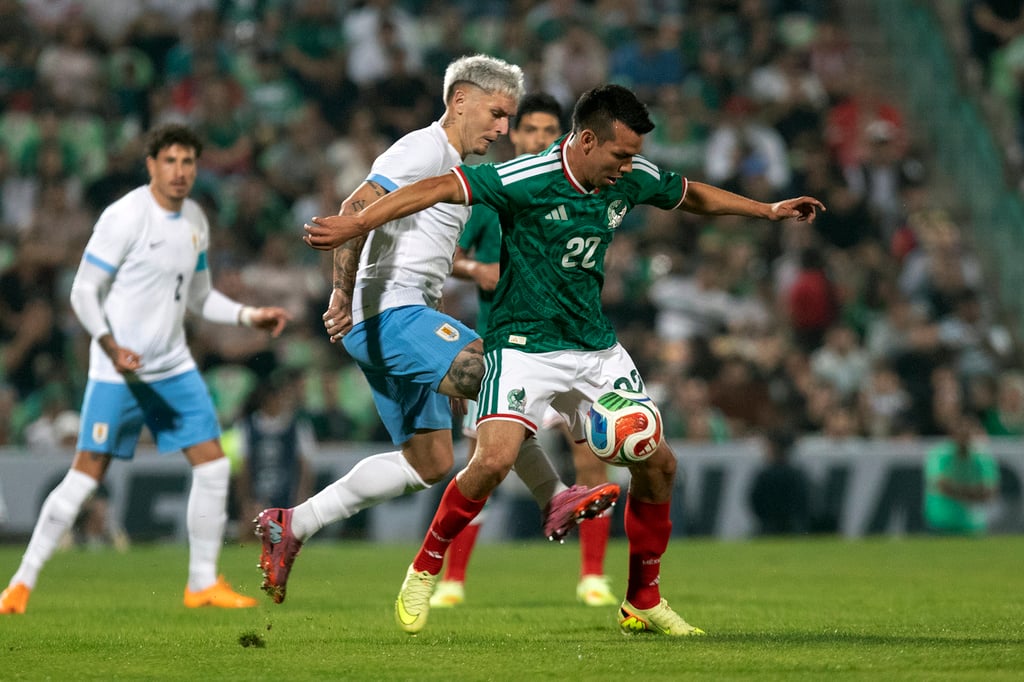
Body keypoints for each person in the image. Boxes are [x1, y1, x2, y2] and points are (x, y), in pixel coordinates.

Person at [303, 84, 825, 636]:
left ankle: (642, 599)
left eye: (634, 157)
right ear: (587, 140)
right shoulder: (526, 177)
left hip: (594, 347)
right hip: (523, 344)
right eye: (620, 155)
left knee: (660, 465)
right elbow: (438, 187)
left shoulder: (631, 176)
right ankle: (425, 568)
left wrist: (767, 210)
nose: (628, 168)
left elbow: (689, 194)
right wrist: (359, 223)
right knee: (492, 461)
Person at [255, 55, 618, 605]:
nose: (503, 129)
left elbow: (423, 254)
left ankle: (294, 523)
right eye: (497, 114)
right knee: (502, 372)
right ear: (460, 101)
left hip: (400, 318)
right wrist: (341, 292)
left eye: (509, 118)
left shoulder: (456, 170)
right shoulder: (423, 149)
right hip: (389, 314)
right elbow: (356, 206)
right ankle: (554, 496)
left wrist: (420, 328)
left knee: (430, 462)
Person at [0, 124, 291, 615]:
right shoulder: (124, 217)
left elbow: (199, 298)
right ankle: (20, 584)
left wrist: (248, 315)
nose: (180, 171)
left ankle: (202, 583)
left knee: (214, 464)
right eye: (170, 161)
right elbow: (82, 290)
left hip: (172, 366)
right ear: (151, 165)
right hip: (120, 372)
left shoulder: (195, 219)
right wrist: (111, 345)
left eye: (188, 162)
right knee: (85, 475)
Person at [431, 92, 619, 610]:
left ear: (565, 136)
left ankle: (593, 577)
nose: (538, 139)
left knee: (592, 456)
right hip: (506, 349)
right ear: (514, 135)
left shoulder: (579, 190)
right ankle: (452, 579)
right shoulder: (497, 193)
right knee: (487, 464)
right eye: (529, 130)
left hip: (572, 348)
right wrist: (477, 270)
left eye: (547, 131)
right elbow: (447, 256)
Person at [924, 413, 1001, 535]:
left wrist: (956, 489)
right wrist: (973, 493)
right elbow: (940, 484)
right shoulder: (941, 454)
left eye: (967, 433)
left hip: (972, 524)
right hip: (942, 521)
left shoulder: (981, 457)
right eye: (960, 433)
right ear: (952, 434)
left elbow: (990, 491)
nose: (963, 438)